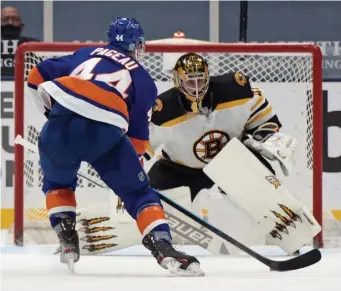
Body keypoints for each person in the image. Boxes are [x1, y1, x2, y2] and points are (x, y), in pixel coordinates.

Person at [26, 18, 203, 276]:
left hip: (57, 128)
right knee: (140, 194)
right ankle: (163, 246)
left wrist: (53, 118)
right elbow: (138, 143)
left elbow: (35, 75)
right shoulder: (143, 79)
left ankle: (66, 237)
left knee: (58, 185)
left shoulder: (85, 54)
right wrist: (130, 177)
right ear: (139, 45)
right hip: (105, 132)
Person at [147, 52, 282, 202]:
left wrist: (261, 138)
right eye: (190, 82)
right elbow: (142, 147)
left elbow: (264, 117)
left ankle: (275, 207)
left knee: (261, 179)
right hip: (179, 171)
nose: (197, 88)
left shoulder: (234, 91)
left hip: (230, 166)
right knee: (146, 195)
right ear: (178, 81)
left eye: (200, 81)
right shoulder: (163, 110)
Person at [1, 5, 39, 77]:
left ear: (21, 25)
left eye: (14, 19)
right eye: (5, 19)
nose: (10, 23)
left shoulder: (32, 45)